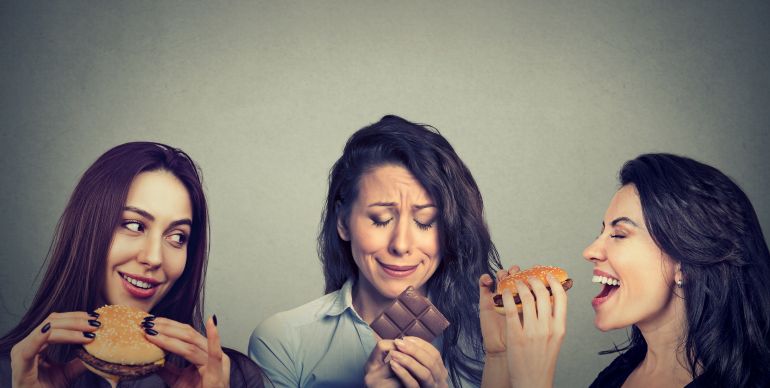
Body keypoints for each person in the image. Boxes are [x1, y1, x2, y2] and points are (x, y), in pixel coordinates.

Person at [249, 115, 502, 387]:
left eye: (425, 221)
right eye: (381, 219)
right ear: (343, 222)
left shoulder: (492, 339)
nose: (401, 245)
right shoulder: (283, 340)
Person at [481, 153, 770, 387]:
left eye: (619, 234)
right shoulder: (618, 374)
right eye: (601, 232)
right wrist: (499, 356)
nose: (590, 251)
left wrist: (533, 382)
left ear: (684, 261)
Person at [0, 142, 263, 387]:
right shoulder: (10, 372)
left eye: (177, 237)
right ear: (87, 228)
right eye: (134, 225)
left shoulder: (232, 377)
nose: (154, 258)